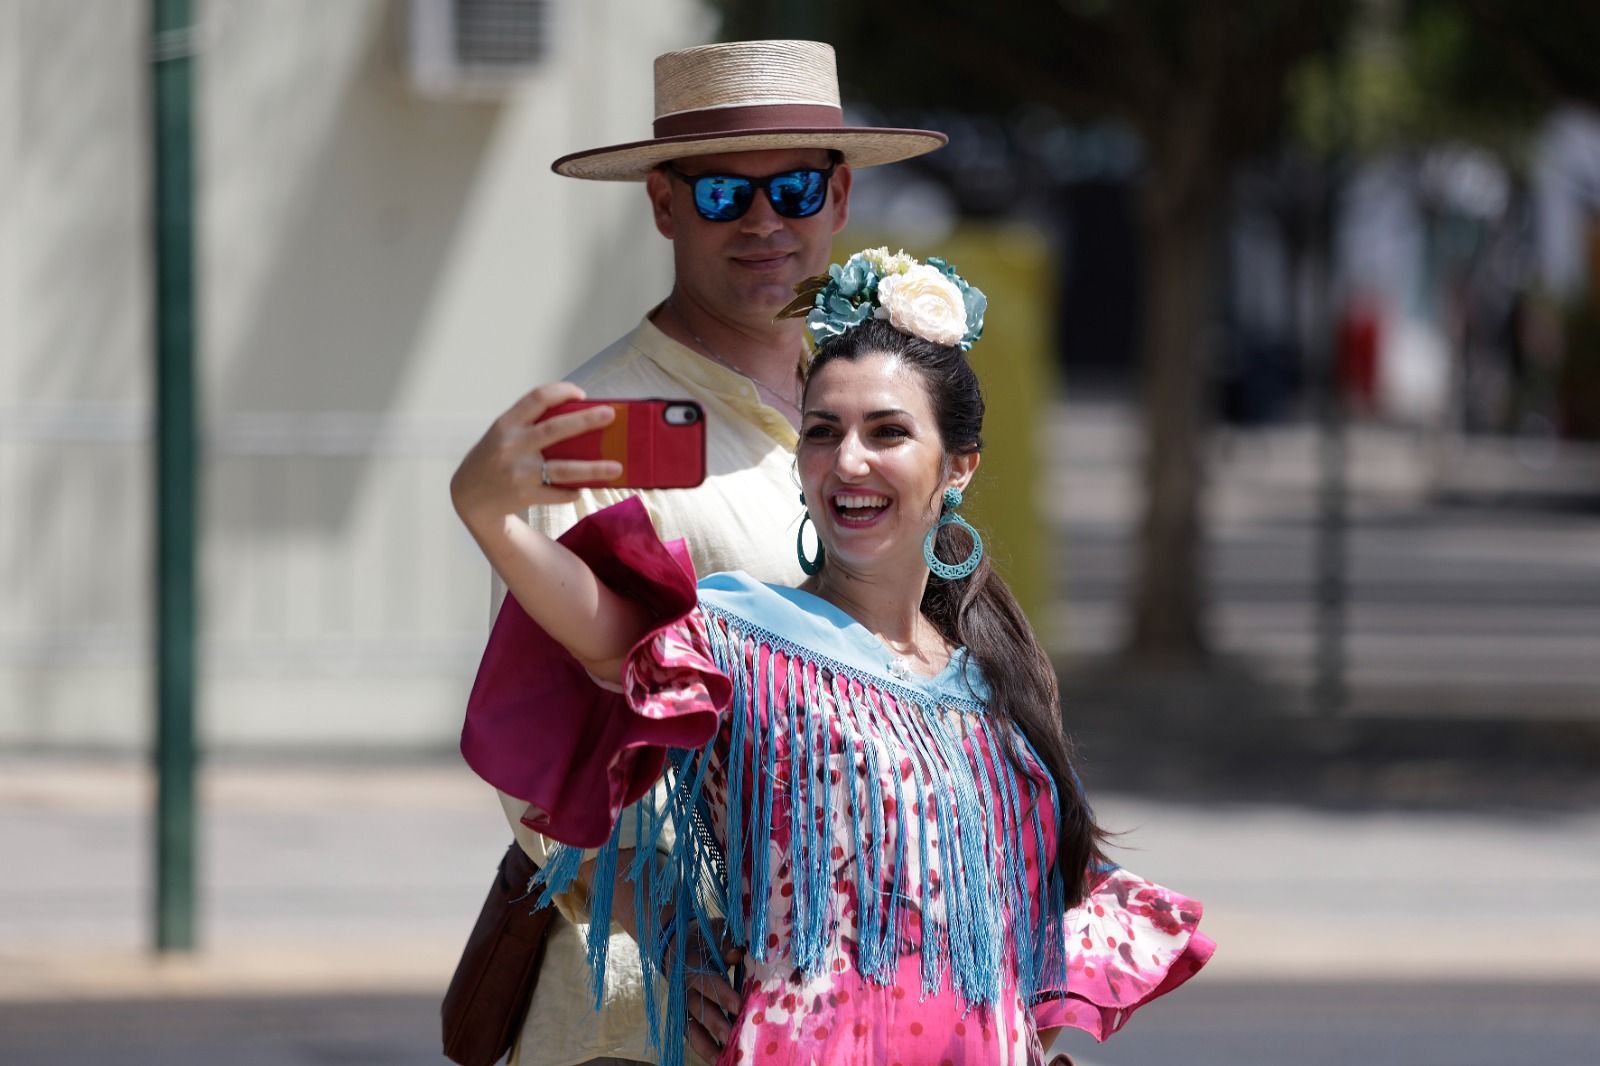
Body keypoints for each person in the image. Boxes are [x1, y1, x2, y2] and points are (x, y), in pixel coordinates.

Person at [455, 249, 1214, 1066]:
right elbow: (602, 633)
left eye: (887, 431)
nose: (848, 460)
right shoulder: (740, 633)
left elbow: (1037, 947)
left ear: (958, 467)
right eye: (823, 432)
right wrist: (489, 514)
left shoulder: (1000, 683)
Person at [449, 39, 949, 1066]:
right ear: (664, 206)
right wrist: (677, 927)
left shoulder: (874, 410)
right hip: (661, 1008)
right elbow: (538, 753)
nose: (765, 222)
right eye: (725, 192)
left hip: (865, 992)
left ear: (840, 197)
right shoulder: (589, 433)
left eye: (795, 187)